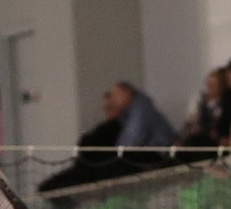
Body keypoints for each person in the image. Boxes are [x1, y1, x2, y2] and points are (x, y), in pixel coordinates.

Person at [41, 81, 180, 192]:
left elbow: (127, 146)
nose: (111, 100)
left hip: (157, 158)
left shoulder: (140, 110)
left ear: (126, 93)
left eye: (114, 95)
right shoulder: (125, 115)